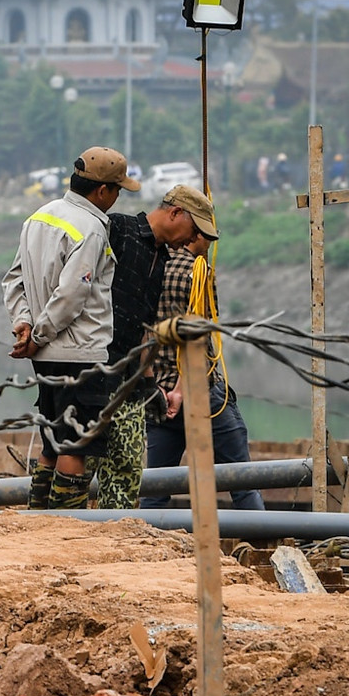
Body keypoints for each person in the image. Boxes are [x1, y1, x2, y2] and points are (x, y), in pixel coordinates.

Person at [2, 147, 138, 509]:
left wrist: (24, 324)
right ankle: (68, 528)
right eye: (117, 190)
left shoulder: (39, 217)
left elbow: (14, 280)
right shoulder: (91, 228)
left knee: (51, 442)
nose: (117, 198)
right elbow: (72, 294)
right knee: (76, 446)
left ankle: (38, 518)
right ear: (102, 191)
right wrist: (40, 334)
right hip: (80, 354)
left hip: (44, 357)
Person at [95, 186, 215, 508]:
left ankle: (113, 534)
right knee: (83, 458)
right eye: (193, 231)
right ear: (176, 213)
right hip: (94, 366)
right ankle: (59, 532)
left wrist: (149, 383)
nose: (191, 242)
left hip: (131, 377)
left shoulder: (161, 258)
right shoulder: (118, 229)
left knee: (128, 466)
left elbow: (146, 327)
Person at [141, 230, 265, 510]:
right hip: (200, 394)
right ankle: (264, 546)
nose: (210, 243)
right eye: (208, 236)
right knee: (241, 482)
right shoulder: (198, 271)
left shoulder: (148, 266)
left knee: (155, 489)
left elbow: (142, 334)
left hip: (159, 396)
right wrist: (182, 390)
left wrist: (157, 388)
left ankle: (143, 550)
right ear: (193, 233)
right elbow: (198, 338)